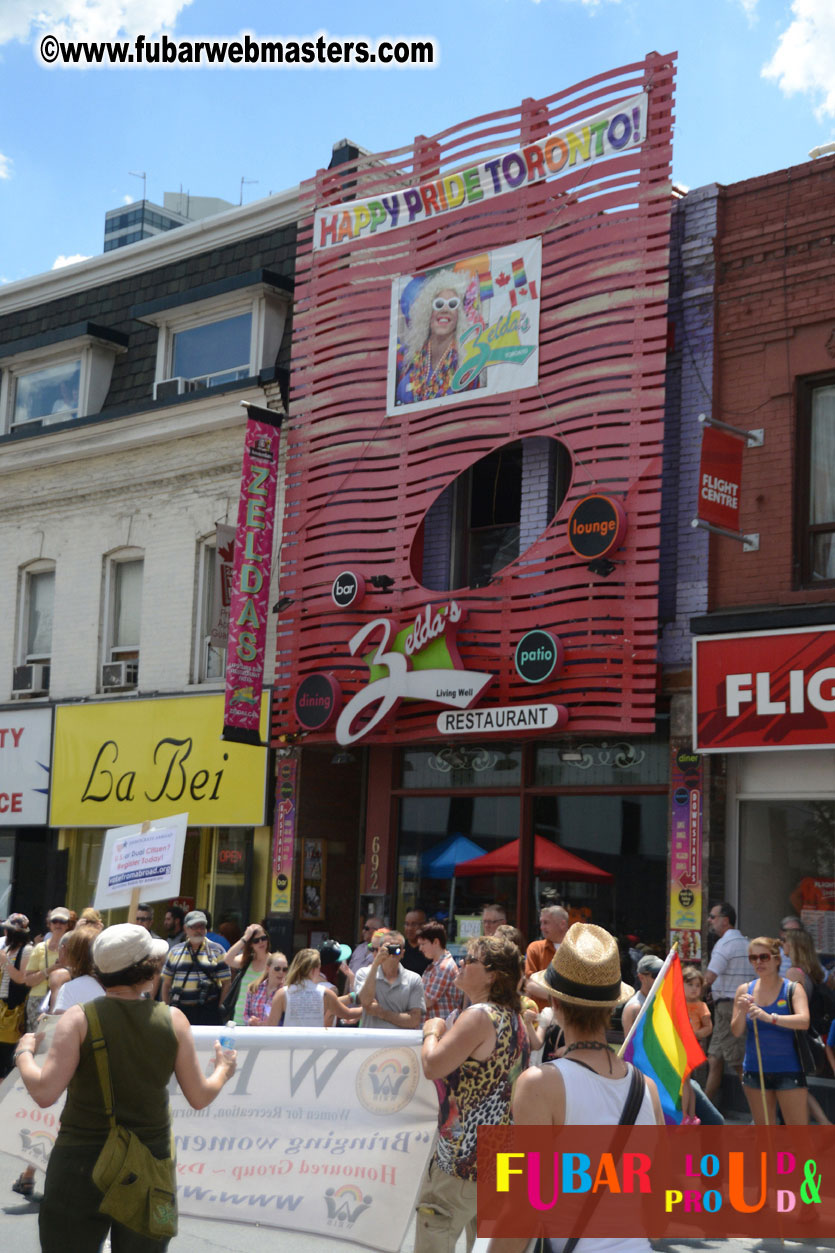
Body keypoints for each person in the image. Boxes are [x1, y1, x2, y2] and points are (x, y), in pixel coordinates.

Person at [14, 923, 237, 1252]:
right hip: (150, 1162)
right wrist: (223, 1069)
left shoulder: (78, 1018)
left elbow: (44, 1092)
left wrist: (23, 1054)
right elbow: (200, 1096)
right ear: (149, 969)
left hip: (80, 1162)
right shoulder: (173, 1019)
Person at [488, 923, 664, 1253]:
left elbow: (522, 1206)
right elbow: (657, 1200)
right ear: (612, 1007)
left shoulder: (539, 1084)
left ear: (553, 1002)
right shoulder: (648, 1088)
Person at [416, 934, 530, 1252]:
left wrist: (432, 1031)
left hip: (462, 1158)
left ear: (492, 975)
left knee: (435, 1230)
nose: (462, 963)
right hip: (498, 1155)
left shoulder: (480, 1016)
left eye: (471, 959)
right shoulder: (515, 1019)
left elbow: (432, 1065)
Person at [731, 935, 810, 1125]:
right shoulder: (744, 990)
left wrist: (769, 1017)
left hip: (789, 1069)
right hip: (754, 1070)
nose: (758, 962)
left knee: (798, 1134)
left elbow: (804, 1021)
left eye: (764, 957)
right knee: (764, 1133)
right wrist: (741, 1011)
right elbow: (736, 1031)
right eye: (753, 958)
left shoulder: (792, 989)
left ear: (776, 959)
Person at [395, 269, 478, 407]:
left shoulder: (466, 365)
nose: (445, 309)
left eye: (452, 304)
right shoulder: (406, 358)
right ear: (428, 313)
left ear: (459, 316)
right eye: (439, 304)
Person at [703, 902, 749, 1106]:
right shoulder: (745, 943)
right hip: (731, 1006)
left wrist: (691, 999)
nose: (709, 921)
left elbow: (709, 977)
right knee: (715, 1058)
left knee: (739, 1063)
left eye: (713, 917)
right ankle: (704, 1110)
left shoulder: (725, 944)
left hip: (729, 1009)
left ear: (725, 920)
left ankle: (761, 1116)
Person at [161, 910, 231, 1026]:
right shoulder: (174, 951)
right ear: (185, 929)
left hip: (208, 1012)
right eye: (194, 927)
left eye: (201, 926)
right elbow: (166, 984)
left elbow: (227, 983)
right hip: (179, 1011)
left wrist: (219, 1007)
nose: (198, 930)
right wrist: (166, 1009)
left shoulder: (217, 950)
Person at [267, 948, 359, 1028]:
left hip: (290, 1045)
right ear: (315, 970)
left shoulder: (282, 993)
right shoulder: (326, 993)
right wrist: (368, 1008)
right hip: (315, 1046)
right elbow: (348, 1014)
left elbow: (271, 1026)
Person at [355, 930, 425, 1030]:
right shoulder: (364, 974)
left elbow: (414, 1020)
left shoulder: (414, 979)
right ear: (379, 950)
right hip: (371, 1042)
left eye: (397, 948)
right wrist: (375, 965)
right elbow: (365, 1002)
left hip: (400, 1044)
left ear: (403, 953)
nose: (392, 952)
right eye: (388, 947)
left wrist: (382, 1013)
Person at [21, 907, 71, 1032]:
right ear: (49, 924)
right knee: (35, 1040)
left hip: (62, 999)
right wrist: (50, 970)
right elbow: (28, 980)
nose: (58, 924)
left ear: (68, 925)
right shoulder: (39, 948)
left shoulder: (73, 948)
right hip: (38, 999)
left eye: (62, 921)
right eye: (55, 921)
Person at [0, 913, 33, 1077]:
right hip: (1, 1011)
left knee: (6, 1062)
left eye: (7, 930)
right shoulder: (6, 950)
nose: (4, 933)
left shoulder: (27, 950)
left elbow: (22, 979)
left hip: (12, 1013)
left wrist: (5, 961)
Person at [223, 922, 273, 1025]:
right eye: (256, 940)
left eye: (263, 938)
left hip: (260, 1021)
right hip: (239, 1018)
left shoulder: (273, 962)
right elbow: (228, 959)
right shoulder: (247, 960)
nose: (261, 942)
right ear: (250, 944)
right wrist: (245, 938)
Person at [524, 905, 569, 1010]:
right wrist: (562, 999)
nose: (541, 927)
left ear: (562, 924)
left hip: (571, 1018)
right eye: (541, 923)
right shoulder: (535, 948)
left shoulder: (577, 949)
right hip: (542, 1018)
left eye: (546, 923)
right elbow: (530, 984)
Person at [418, 921, 462, 1021]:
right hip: (434, 1028)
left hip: (441, 1030)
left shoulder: (443, 967)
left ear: (436, 942)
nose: (420, 948)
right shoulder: (435, 966)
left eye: (423, 944)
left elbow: (427, 1001)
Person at [621, 953, 663, 1036]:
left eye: (663, 974)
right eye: (656, 975)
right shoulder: (635, 1008)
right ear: (641, 977)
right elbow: (633, 1045)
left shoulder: (660, 1002)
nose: (661, 978)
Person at [244, 952, 288, 1025]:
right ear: (268, 968)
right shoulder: (254, 988)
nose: (281, 972)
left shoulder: (287, 992)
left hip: (275, 1035)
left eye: (285, 969)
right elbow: (246, 1015)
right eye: (277, 969)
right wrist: (250, 1021)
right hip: (254, 1034)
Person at [347, 915, 383, 980]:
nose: (363, 931)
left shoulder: (383, 951)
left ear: (377, 930)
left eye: (367, 928)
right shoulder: (359, 948)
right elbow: (349, 971)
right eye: (363, 928)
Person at [402, 908, 430, 976]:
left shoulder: (430, 950)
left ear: (424, 925)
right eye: (407, 924)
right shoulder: (400, 948)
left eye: (414, 924)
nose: (409, 928)